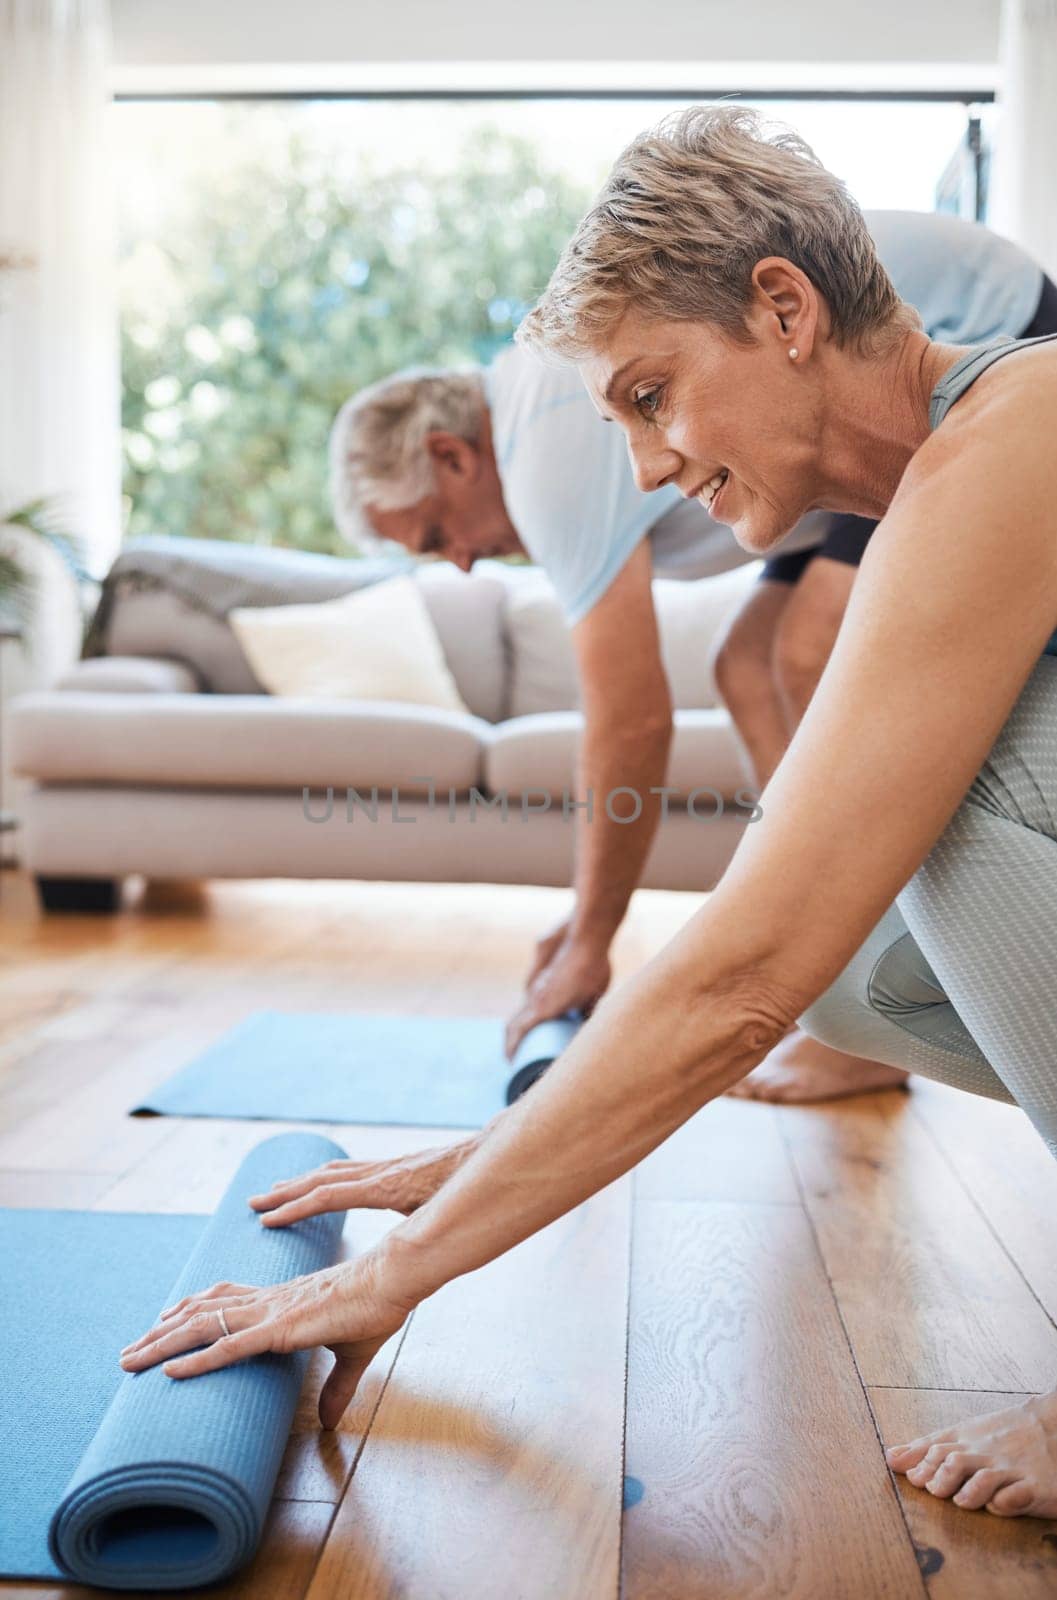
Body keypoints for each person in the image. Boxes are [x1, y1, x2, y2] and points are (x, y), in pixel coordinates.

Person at [123, 107, 1057, 1521]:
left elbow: (743, 970)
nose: (645, 468)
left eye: (651, 396)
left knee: (898, 844)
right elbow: (759, 938)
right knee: (857, 968)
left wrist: (400, 1269)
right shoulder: (944, 481)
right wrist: (479, 1157)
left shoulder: (1015, 430)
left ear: (785, 309)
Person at [328, 211, 1057, 1105]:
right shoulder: (545, 413)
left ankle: (874, 989)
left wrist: (593, 941)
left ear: (450, 456)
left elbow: (629, 720)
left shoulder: (542, 456)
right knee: (746, 664)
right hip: (838, 418)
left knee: (804, 647)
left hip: (997, 326)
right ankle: (837, 957)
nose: (466, 565)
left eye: (438, 535)